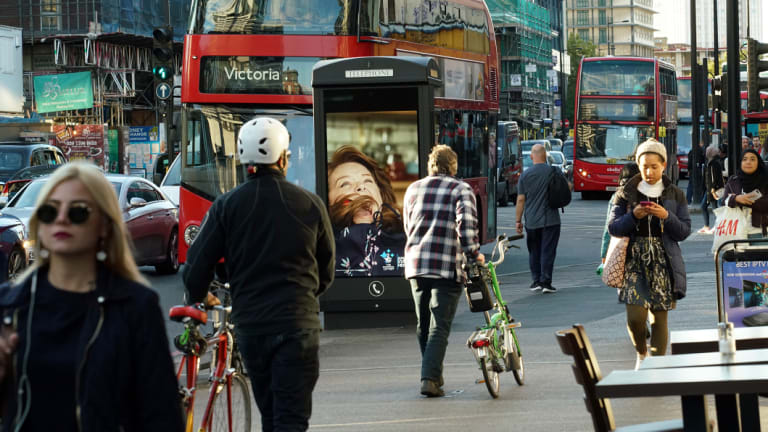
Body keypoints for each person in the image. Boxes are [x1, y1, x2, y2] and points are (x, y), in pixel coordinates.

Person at [0, 162, 183, 431]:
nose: (61, 218)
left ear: (104, 226)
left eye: (77, 212)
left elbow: (162, 415)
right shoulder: (10, 303)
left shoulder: (134, 306)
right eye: (50, 210)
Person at [183, 117, 335, 431]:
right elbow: (326, 271)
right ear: (283, 158)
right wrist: (303, 297)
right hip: (298, 326)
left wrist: (203, 295)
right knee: (291, 419)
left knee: (270, 414)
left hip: (253, 327)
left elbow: (195, 268)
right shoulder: (310, 204)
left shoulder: (227, 206)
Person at [403, 144, 484, 398]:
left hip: (416, 263)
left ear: (431, 165)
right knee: (439, 325)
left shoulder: (413, 188)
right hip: (446, 264)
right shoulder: (461, 189)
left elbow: (408, 225)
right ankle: (429, 378)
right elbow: (467, 227)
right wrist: (474, 254)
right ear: (453, 166)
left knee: (423, 324)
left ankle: (433, 377)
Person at [608, 138, 691, 369]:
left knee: (659, 316)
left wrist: (666, 215)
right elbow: (613, 227)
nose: (649, 171)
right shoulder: (625, 193)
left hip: (664, 259)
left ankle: (656, 366)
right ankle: (642, 353)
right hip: (634, 259)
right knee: (635, 317)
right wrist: (633, 215)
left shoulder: (675, 194)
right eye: (644, 166)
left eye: (654, 166)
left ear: (663, 165)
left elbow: (684, 230)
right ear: (638, 164)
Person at [328, 146, 405, 277]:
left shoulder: (410, 236)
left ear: (381, 195)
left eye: (368, 181)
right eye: (345, 183)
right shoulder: (320, 248)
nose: (361, 186)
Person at [516, 144, 563, 293]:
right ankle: (546, 282)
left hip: (531, 221)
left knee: (534, 251)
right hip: (551, 220)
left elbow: (521, 200)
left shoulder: (525, 175)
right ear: (546, 156)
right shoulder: (553, 171)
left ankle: (536, 281)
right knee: (548, 251)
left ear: (531, 156)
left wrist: (518, 221)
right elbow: (566, 187)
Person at [598, 162, 640, 275]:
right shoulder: (643, 194)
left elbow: (608, 228)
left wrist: (604, 253)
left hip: (620, 247)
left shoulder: (617, 196)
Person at [722, 149, 768, 238]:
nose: (748, 162)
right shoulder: (733, 180)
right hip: (736, 231)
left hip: (761, 231)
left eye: (752, 159)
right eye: (745, 159)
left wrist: (744, 201)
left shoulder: (766, 179)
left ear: (758, 162)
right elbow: (724, 202)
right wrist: (736, 199)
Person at [699, 145, 725, 234]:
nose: (706, 153)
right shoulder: (710, 162)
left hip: (713, 189)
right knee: (710, 207)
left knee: (713, 208)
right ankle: (709, 226)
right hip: (710, 189)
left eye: (707, 151)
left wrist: (713, 188)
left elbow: (714, 177)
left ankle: (716, 226)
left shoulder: (714, 163)